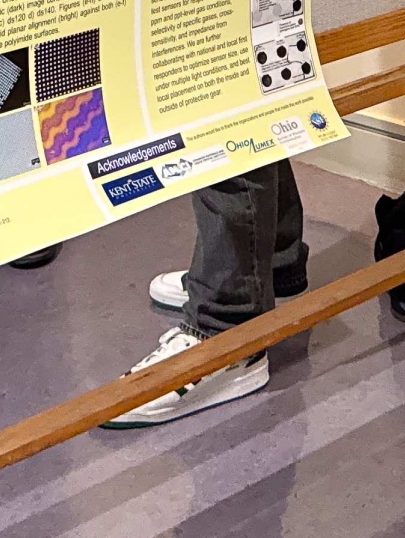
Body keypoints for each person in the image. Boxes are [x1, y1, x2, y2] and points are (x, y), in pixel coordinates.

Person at [104, 164, 308, 426]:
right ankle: (264, 275)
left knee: (222, 139)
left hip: (230, 332)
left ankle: (226, 327)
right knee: (256, 126)